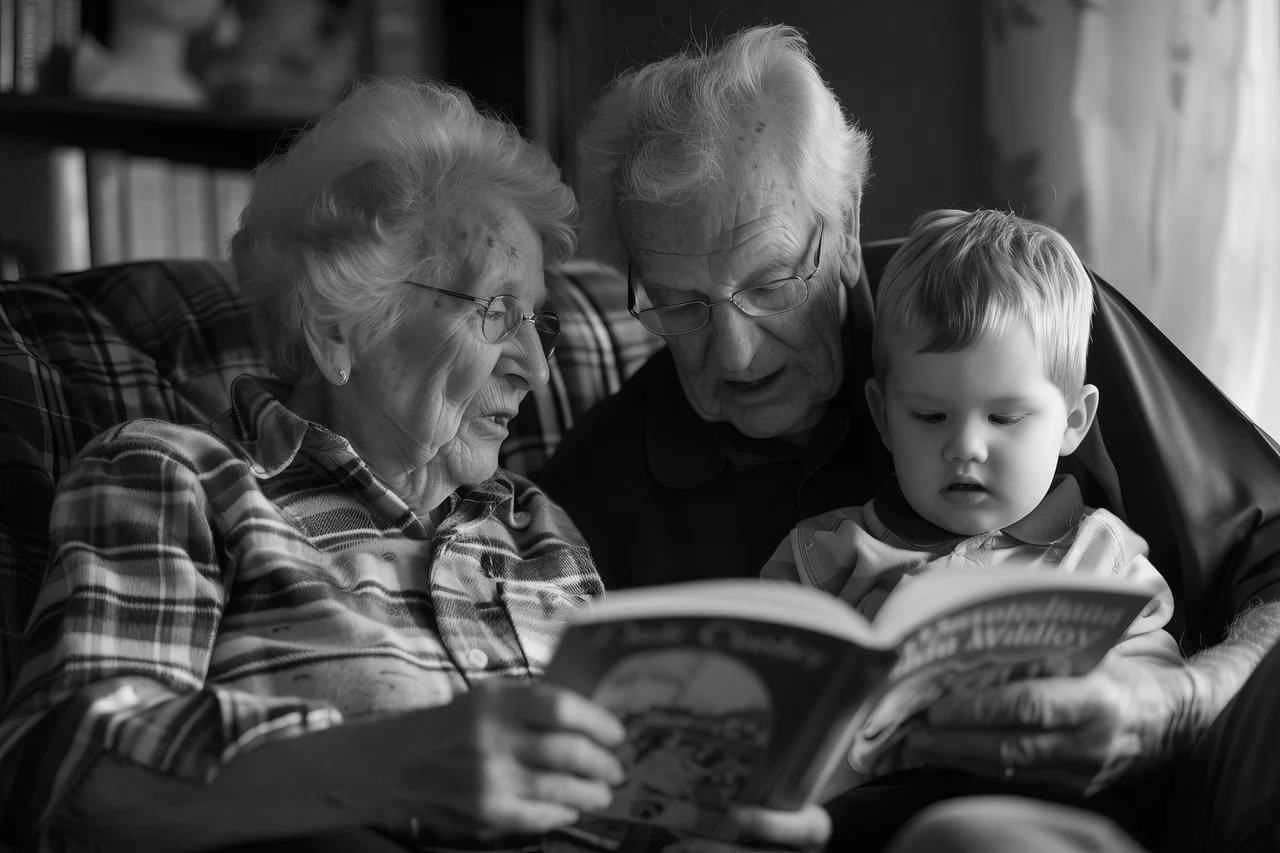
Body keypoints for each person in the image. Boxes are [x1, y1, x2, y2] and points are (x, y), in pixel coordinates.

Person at [0, 78, 828, 853]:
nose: (535, 371)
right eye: (497, 311)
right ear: (338, 328)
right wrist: (388, 762)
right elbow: (67, 776)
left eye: (536, 324)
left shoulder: (538, 531)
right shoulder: (177, 481)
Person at [537, 23, 1280, 853]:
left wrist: (1170, 706)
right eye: (680, 304)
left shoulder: (1011, 322)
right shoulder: (597, 486)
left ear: (847, 222)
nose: (735, 350)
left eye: (773, 281)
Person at [761, 208, 1182, 660]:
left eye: (1004, 419)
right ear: (884, 417)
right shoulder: (827, 555)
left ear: (1073, 421)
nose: (965, 447)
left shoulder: (1102, 561)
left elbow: (1153, 692)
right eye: (929, 416)